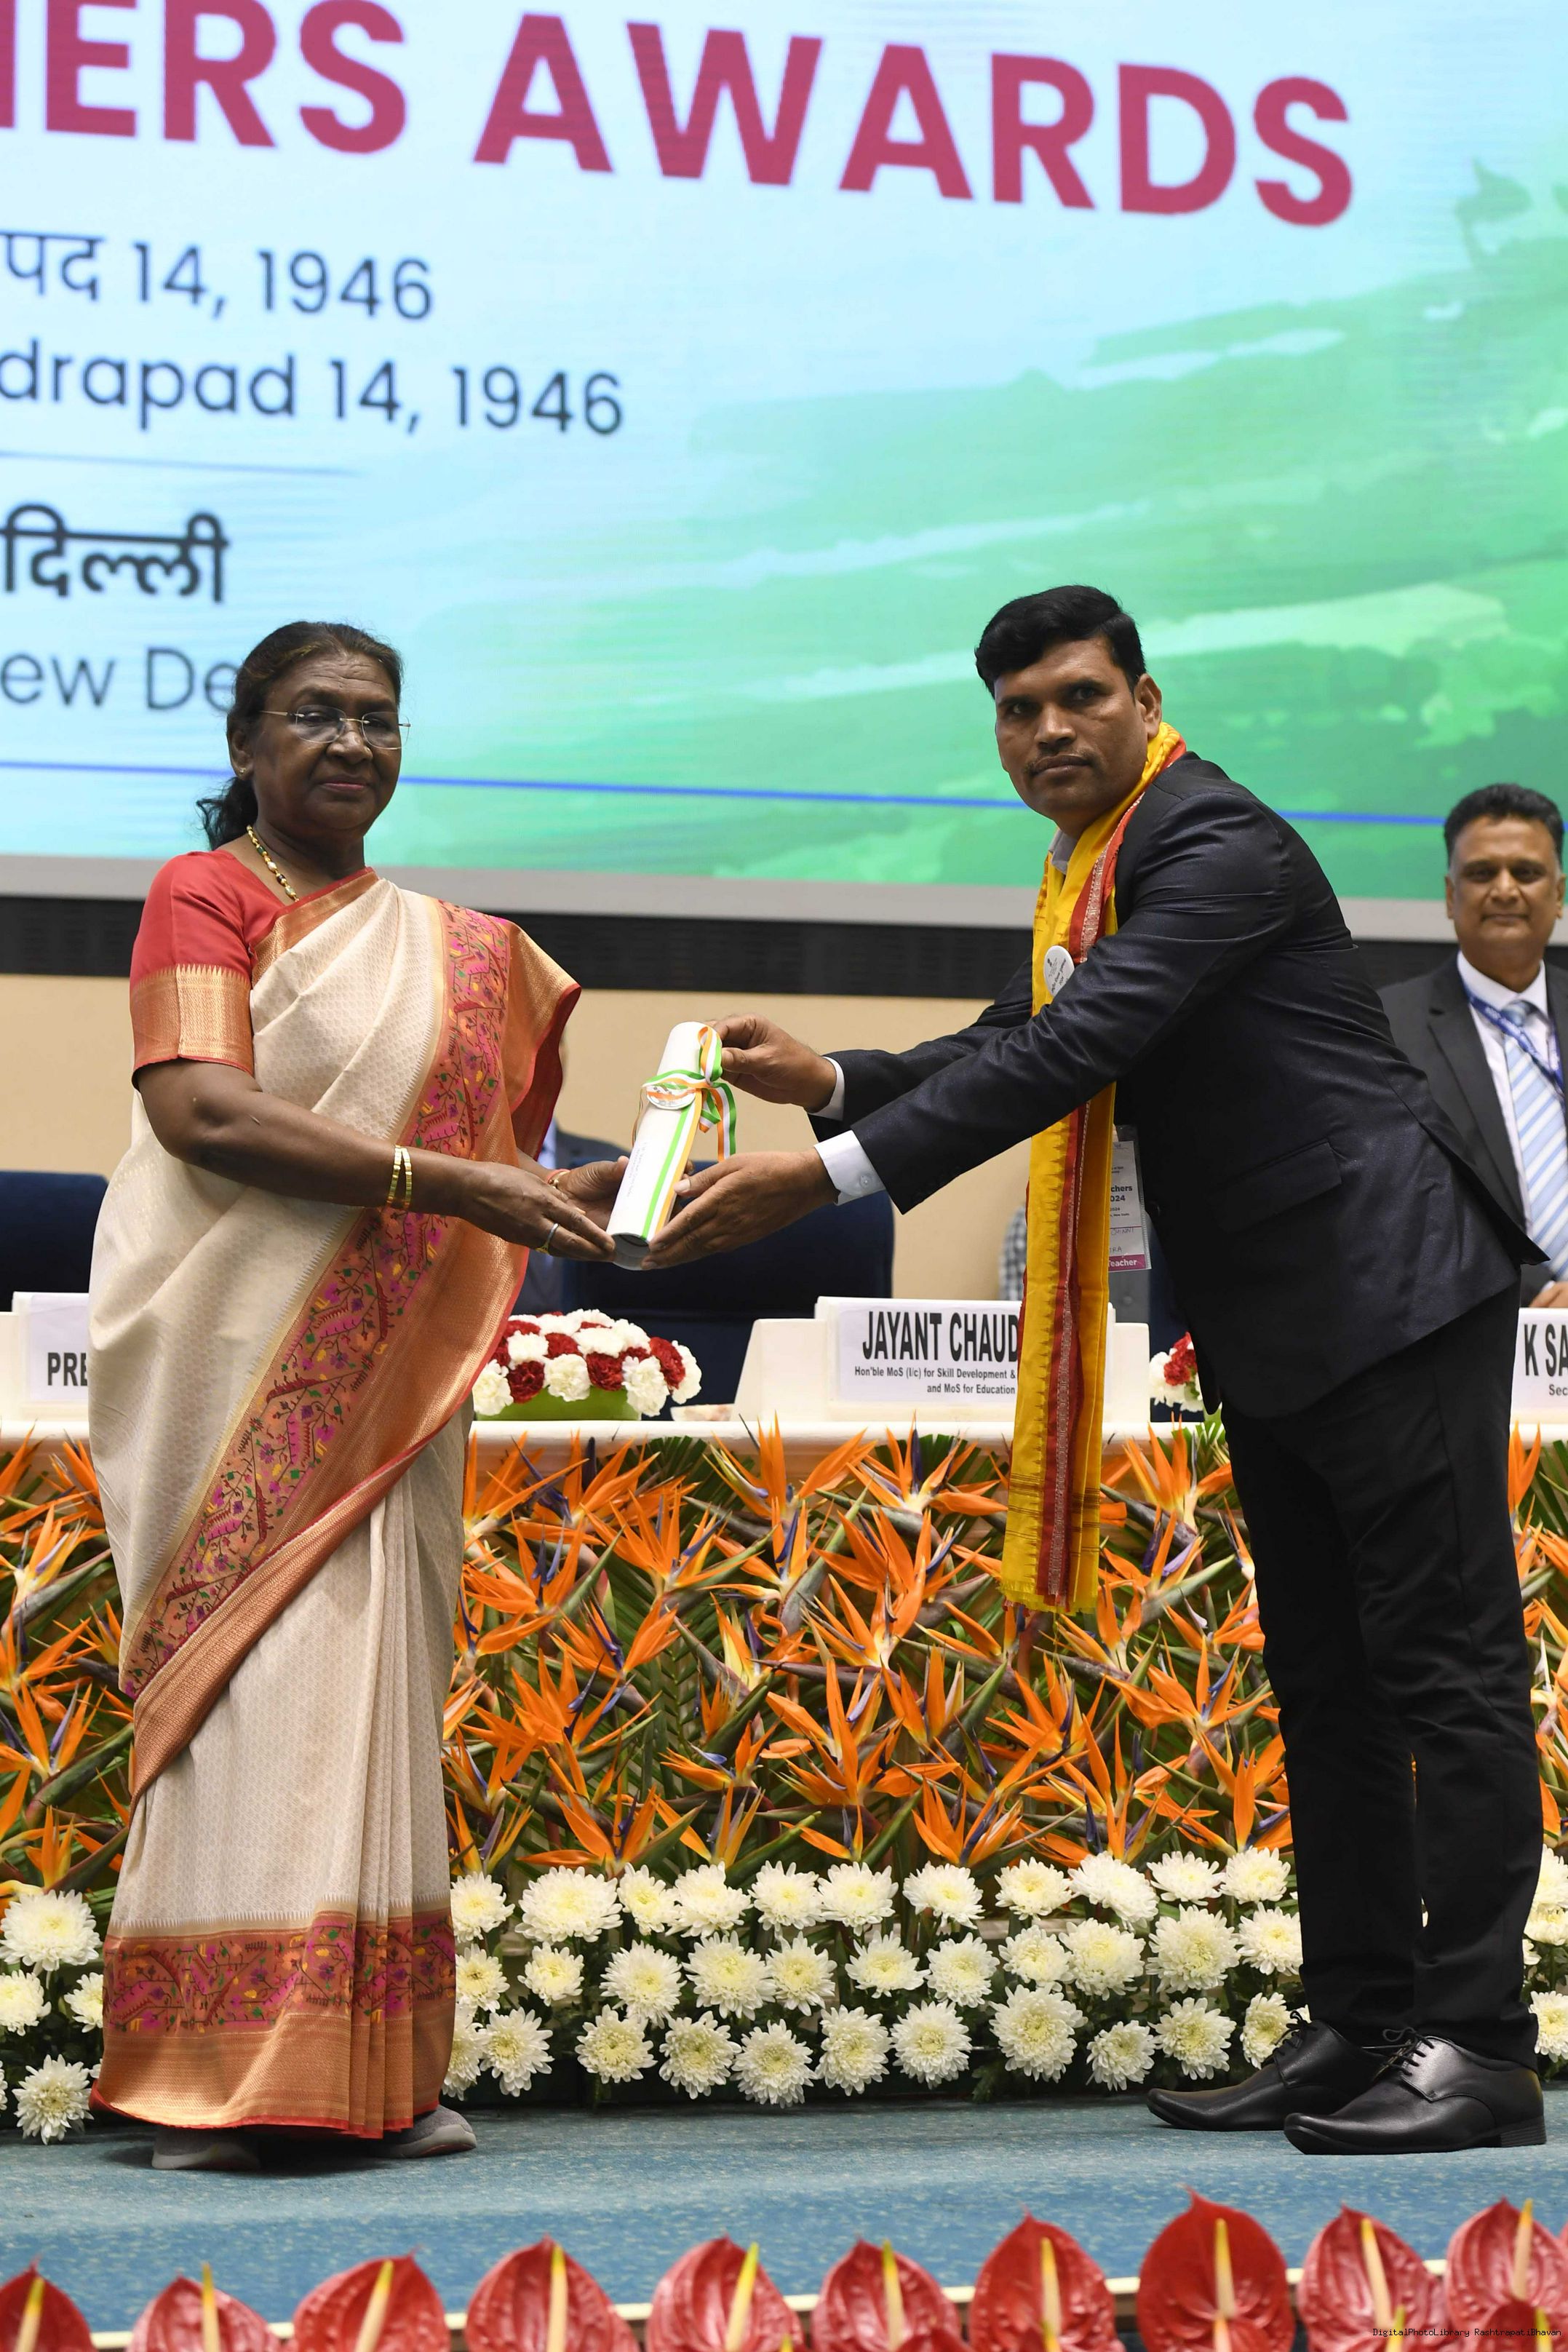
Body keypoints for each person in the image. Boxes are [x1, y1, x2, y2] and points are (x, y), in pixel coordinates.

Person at [648, 584, 1547, 2156]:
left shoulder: (1215, 843)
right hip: (1286, 1319)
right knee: (1328, 1684)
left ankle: (1477, 2045)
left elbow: (1084, 1042)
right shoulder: (1101, 862)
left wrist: (826, 1176)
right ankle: (1362, 2020)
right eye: (1019, 711)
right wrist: (840, 1078)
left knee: (1442, 1674)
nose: (1050, 730)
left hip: (1393, 1295)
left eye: (1080, 696)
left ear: (1146, 698)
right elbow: (1026, 1026)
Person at [88, 621, 617, 2171]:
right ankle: (216, 2077)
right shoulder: (204, 892)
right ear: (247, 741)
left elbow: (487, 1160)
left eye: (378, 719)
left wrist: (556, 1188)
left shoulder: (448, 944)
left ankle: (371, 2072)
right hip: (227, 1355)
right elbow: (203, 1112)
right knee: (261, 1687)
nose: (351, 743)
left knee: (370, 1693)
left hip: (385, 1374)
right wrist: (455, 1181)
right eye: (315, 715)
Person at [1382, 784, 1568, 1309]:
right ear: (1450, 895)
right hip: (1474, 1328)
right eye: (1482, 873)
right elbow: (1395, 1196)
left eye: (1526, 873)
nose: (1504, 890)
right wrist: (1537, 1294)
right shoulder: (1387, 1029)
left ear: (1558, 895)